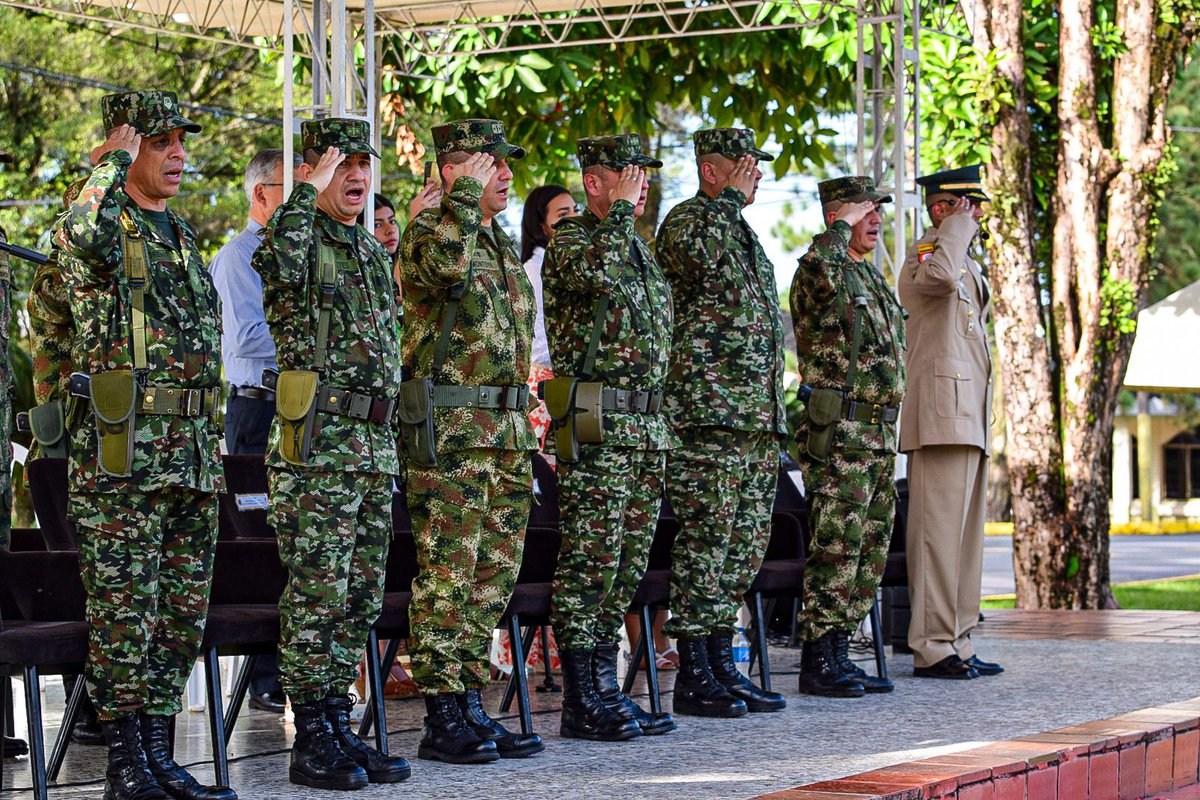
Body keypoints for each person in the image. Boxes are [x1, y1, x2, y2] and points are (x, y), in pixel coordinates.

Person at [56, 90, 235, 800]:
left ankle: (160, 755)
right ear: (127, 146)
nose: (179, 154)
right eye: (162, 142)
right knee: (126, 609)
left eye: (181, 142)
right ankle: (126, 764)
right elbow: (73, 237)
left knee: (178, 612)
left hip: (189, 451)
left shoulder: (182, 234)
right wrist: (106, 166)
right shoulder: (106, 222)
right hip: (127, 453)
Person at [251, 119, 410, 790]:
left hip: (372, 443)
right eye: (341, 165)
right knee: (318, 592)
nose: (357, 176)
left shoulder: (370, 253)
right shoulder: (297, 237)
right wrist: (305, 190)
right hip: (318, 446)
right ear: (313, 169)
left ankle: (339, 725)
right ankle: (311, 732)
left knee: (358, 596)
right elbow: (273, 260)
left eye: (363, 165)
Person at [398, 118, 543, 763]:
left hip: (506, 434)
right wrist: (455, 199)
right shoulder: (434, 229)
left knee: (491, 575)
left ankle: (466, 700)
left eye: (508, 163)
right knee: (447, 575)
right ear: (458, 169)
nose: (507, 173)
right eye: (494, 163)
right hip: (454, 434)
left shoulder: (497, 242)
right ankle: (440, 713)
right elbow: (440, 271)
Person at [543, 134, 676, 740]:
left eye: (643, 177)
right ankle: (582, 698)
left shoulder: (637, 248)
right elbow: (593, 277)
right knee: (590, 562)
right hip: (598, 422)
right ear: (594, 183)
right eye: (627, 175)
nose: (639, 185)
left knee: (624, 565)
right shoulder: (573, 238)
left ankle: (606, 687)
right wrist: (620, 211)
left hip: (644, 425)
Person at [656, 127, 789, 716]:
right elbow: (698, 264)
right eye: (744, 164)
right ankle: (694, 673)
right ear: (712, 171)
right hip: (707, 418)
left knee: (741, 548)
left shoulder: (745, 233)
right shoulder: (688, 222)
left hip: (755, 420)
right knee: (705, 544)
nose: (755, 173)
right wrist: (728, 202)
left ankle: (720, 663)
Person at [789, 176, 906, 699]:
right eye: (864, 211)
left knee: (869, 548)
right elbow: (822, 270)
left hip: (877, 432)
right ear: (837, 218)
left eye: (878, 210)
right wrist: (837, 228)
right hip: (840, 430)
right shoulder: (820, 266)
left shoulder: (871, 277)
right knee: (837, 544)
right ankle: (818, 656)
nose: (875, 219)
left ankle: (840, 647)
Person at [900, 164, 1002, 680]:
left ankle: (958, 637)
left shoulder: (962, 259)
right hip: (941, 413)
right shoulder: (928, 255)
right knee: (936, 538)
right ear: (942, 209)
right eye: (970, 207)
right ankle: (932, 644)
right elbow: (936, 280)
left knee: (964, 539)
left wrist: (959, 235)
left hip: (968, 414)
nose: (979, 216)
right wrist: (953, 231)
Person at [209, 149, 300, 715]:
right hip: (258, 405)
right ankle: (266, 672)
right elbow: (245, 339)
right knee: (261, 534)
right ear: (259, 195)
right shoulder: (239, 257)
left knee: (302, 534)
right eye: (288, 190)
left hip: (301, 407)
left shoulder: (303, 253)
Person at [520, 184, 576, 443]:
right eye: (563, 215)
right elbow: (538, 339)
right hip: (546, 383)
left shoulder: (562, 261)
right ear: (540, 224)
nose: (574, 219)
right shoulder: (536, 267)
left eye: (576, 210)